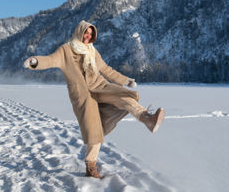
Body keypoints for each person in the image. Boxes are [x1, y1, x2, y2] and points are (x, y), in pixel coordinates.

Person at [23, 20, 165, 179]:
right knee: (94, 128)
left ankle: (147, 119)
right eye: (86, 32)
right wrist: (35, 61)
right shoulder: (66, 51)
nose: (88, 36)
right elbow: (50, 60)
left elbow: (106, 70)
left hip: (100, 86)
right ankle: (91, 166)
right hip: (83, 94)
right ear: (79, 31)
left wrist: (126, 81)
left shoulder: (92, 51)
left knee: (124, 97)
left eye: (91, 34)